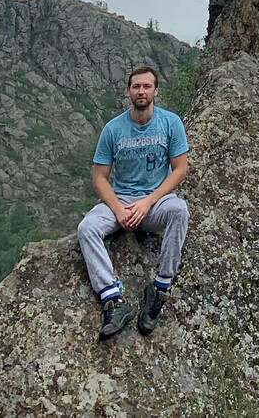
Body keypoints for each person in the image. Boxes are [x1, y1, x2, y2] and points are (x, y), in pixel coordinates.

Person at [77, 64, 190, 339]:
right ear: (128, 91)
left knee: (180, 210)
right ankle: (113, 299)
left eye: (147, 86)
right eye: (136, 86)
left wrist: (148, 202)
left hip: (155, 202)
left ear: (155, 91)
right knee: (87, 228)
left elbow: (180, 169)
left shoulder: (170, 123)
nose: (141, 91)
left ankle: (159, 289)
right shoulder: (113, 129)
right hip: (121, 201)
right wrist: (118, 208)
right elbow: (100, 177)